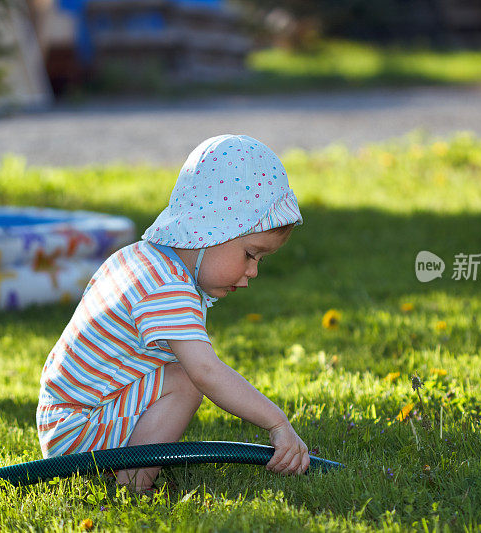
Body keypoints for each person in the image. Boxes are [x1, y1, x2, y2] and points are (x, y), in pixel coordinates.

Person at [36, 134, 309, 493]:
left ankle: (124, 469)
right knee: (184, 380)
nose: (253, 271)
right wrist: (276, 422)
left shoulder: (140, 259)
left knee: (178, 376)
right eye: (250, 254)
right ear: (214, 230)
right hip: (77, 433)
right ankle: (134, 485)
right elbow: (207, 371)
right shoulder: (167, 286)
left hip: (64, 421)